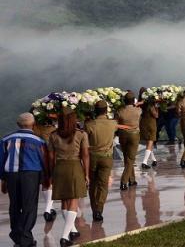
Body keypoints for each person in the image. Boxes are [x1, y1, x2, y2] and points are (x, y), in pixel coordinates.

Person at [1, 113, 49, 247]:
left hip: (11, 175)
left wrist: (3, 180)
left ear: (18, 124)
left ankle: (18, 236)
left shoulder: (6, 139)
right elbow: (43, 160)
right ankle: (25, 238)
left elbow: (1, 161)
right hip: (31, 175)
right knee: (29, 206)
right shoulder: (39, 141)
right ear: (33, 124)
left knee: (15, 206)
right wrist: (46, 178)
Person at [48, 107, 88, 247]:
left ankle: (73, 230)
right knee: (73, 201)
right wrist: (87, 174)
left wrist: (51, 174)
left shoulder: (53, 135)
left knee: (65, 201)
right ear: (73, 119)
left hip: (59, 168)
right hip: (74, 167)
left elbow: (51, 157)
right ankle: (65, 237)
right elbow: (85, 156)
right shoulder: (80, 134)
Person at [84, 100, 120, 222]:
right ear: (106, 110)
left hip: (92, 157)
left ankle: (94, 209)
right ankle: (99, 209)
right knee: (103, 185)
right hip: (107, 157)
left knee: (92, 184)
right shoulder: (113, 124)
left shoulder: (89, 125)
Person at [32, 113, 57, 222]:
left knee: (45, 184)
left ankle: (50, 208)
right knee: (51, 183)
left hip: (38, 160)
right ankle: (47, 209)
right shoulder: (51, 130)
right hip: (49, 159)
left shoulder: (35, 130)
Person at [116, 92, 141, 190]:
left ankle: (132, 179)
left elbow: (116, 122)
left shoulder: (120, 111)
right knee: (131, 159)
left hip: (123, 135)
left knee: (127, 158)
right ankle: (124, 181)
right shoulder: (138, 110)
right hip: (134, 135)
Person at [138, 88, 159, 170]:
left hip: (142, 123)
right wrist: (157, 107)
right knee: (150, 141)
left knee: (149, 143)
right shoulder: (150, 105)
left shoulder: (140, 104)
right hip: (151, 124)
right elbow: (156, 115)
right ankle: (144, 162)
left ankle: (154, 160)